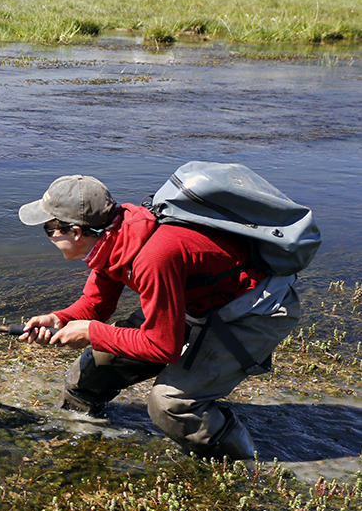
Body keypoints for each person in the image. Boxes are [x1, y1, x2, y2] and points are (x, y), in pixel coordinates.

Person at [16, 174, 300, 461]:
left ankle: (244, 464)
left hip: (251, 311)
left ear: (76, 231)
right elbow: (95, 304)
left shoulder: (154, 256)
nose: (48, 235)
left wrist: (91, 332)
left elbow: (163, 346)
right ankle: (77, 435)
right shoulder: (112, 235)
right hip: (191, 303)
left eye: (48, 229)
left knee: (171, 405)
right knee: (93, 369)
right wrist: (58, 318)